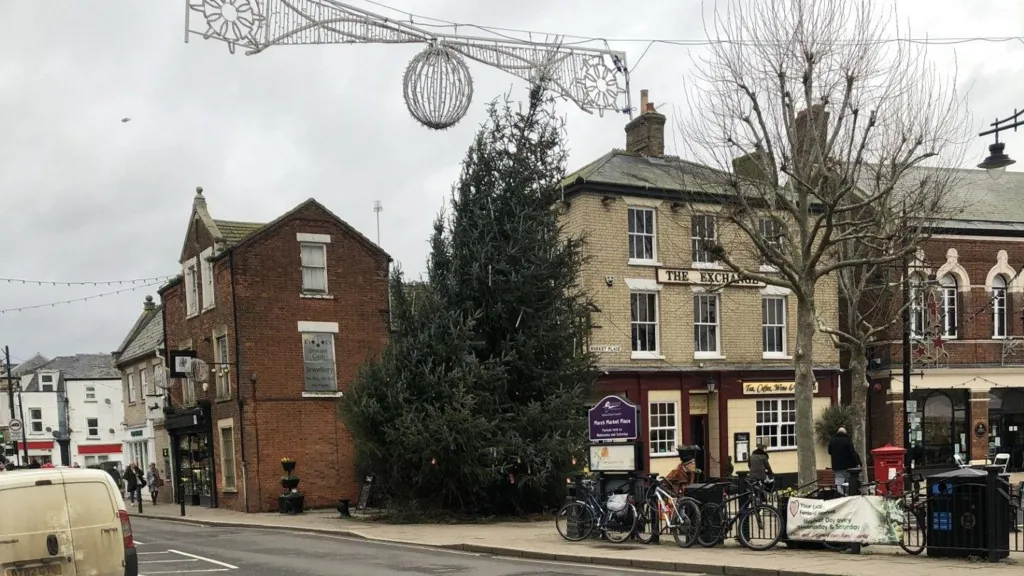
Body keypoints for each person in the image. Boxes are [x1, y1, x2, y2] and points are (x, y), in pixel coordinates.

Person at [828, 427, 862, 495]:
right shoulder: (847, 440)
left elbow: (829, 451)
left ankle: (839, 494)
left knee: (838, 481)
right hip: (848, 466)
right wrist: (858, 462)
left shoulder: (832, 440)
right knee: (848, 481)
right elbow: (852, 453)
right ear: (845, 433)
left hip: (837, 466)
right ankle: (847, 495)